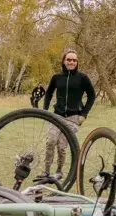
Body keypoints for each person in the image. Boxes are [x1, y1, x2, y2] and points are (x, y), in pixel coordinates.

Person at [43, 49, 95, 177]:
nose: (71, 62)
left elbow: (92, 95)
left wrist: (84, 114)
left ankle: (59, 171)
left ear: (77, 62)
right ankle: (46, 171)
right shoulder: (57, 77)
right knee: (50, 141)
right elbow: (49, 93)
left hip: (73, 118)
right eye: (69, 60)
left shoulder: (82, 78)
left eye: (74, 60)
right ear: (64, 61)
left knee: (61, 145)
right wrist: (44, 110)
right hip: (56, 115)